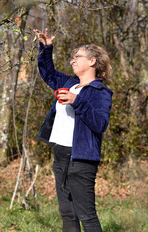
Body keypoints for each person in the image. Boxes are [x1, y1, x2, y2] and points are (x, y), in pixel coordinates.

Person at [33, 28, 113, 232]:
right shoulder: (70, 83)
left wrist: (78, 101)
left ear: (92, 61)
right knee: (67, 213)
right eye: (73, 57)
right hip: (60, 154)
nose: (72, 60)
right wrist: (46, 48)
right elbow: (47, 73)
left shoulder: (100, 92)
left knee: (86, 215)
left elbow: (100, 124)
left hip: (81, 158)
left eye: (78, 56)